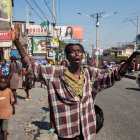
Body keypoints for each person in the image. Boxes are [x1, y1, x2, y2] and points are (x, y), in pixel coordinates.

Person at [12, 24, 140, 140]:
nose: (77, 54)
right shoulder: (55, 73)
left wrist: (132, 57)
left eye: (79, 51)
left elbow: (115, 75)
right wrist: (17, 42)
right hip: (66, 130)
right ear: (67, 56)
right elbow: (31, 66)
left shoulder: (91, 73)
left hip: (86, 129)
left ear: (83, 55)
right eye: (72, 52)